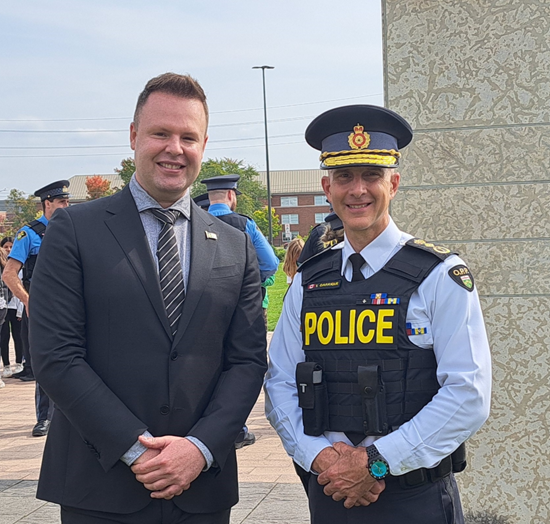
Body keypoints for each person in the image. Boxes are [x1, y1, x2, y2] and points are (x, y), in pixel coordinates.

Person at [29, 73, 267, 524]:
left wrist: (198, 450)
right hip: (100, 486)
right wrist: (138, 451)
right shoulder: (74, 230)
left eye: (188, 137)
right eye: (160, 133)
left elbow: (248, 360)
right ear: (134, 136)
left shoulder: (234, 244)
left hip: (202, 489)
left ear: (204, 144)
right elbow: (55, 356)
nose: (174, 148)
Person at [264, 105, 492, 524]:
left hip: (413, 498)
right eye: (345, 177)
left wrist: (375, 462)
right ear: (326, 187)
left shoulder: (439, 275)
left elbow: (469, 394)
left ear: (395, 182)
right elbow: (279, 382)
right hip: (331, 493)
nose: (358, 190)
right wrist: (319, 460)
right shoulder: (309, 281)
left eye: (371, 174)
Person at [201, 174, 279, 450]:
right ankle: (236, 427)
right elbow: (270, 264)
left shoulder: (194, 221)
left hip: (203, 309)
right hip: (243, 308)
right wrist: (254, 281)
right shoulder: (244, 223)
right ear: (232, 196)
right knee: (243, 365)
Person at [2, 181, 70, 436]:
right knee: (46, 363)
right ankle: (45, 417)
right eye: (61, 202)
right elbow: (9, 274)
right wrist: (29, 300)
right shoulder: (29, 234)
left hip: (72, 306)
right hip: (43, 309)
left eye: (67, 202)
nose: (66, 206)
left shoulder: (73, 230)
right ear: (48, 203)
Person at [201, 174, 279, 283]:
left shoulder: (195, 223)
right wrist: (251, 279)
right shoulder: (246, 224)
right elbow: (270, 263)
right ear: (230, 194)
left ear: (209, 197)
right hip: (239, 291)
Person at [0, 237, 24, 379]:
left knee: (18, 334)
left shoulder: (20, 262)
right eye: (6, 246)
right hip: (5, 304)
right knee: (3, 336)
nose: (8, 249)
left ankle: (19, 362)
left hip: (15, 304)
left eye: (11, 246)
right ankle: (6, 365)